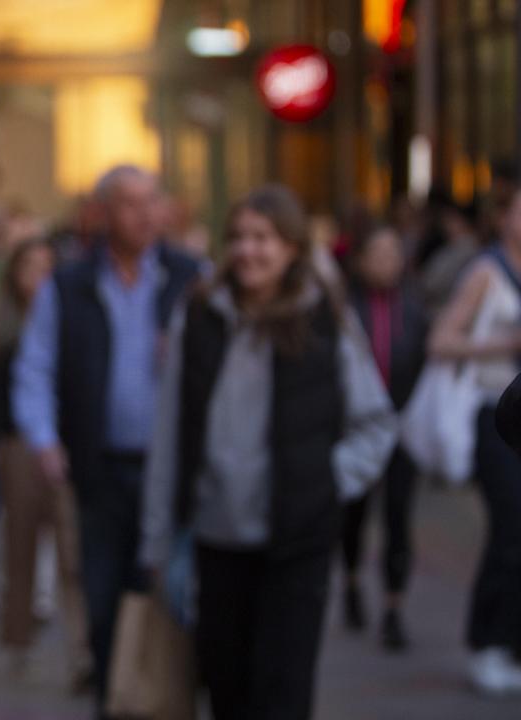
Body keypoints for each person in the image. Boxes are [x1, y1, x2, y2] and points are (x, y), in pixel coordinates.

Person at [140, 185, 397, 720]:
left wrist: (325, 478)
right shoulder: (200, 315)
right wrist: (158, 541)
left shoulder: (324, 320)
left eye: (263, 238)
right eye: (236, 237)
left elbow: (376, 422)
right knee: (227, 694)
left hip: (296, 543)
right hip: (216, 539)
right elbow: (169, 433)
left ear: (293, 249)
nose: (246, 250)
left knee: (282, 696)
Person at [11, 164, 200, 707]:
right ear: (102, 213)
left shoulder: (191, 277)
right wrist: (45, 440)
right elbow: (36, 367)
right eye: (130, 202)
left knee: (169, 598)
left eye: (152, 200)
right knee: (100, 596)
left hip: (175, 471)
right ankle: (110, 699)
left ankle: (165, 700)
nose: (145, 213)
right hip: (98, 469)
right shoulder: (68, 284)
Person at [0, 239, 88, 684]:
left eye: (47, 267)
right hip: (16, 447)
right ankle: (17, 641)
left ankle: (84, 651)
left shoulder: (72, 317)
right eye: (30, 267)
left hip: (65, 445)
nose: (39, 277)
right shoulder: (2, 325)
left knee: (73, 552)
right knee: (20, 545)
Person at [429, 186, 521, 694]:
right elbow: (440, 340)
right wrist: (504, 342)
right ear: (504, 216)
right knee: (510, 528)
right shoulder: (485, 271)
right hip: (495, 417)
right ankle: (488, 643)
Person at [339, 225, 427, 651]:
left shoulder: (414, 309)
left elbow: (426, 365)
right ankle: (352, 581)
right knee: (354, 515)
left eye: (394, 253)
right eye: (377, 253)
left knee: (398, 518)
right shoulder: (343, 309)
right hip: (355, 431)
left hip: (403, 429)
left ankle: (393, 607)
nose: (386, 262)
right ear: (359, 260)